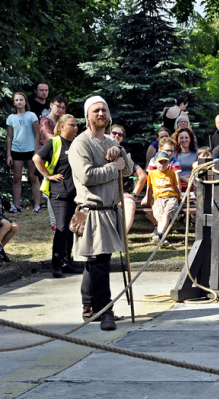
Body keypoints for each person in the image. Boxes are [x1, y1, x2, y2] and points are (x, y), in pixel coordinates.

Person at [68, 96, 136, 331]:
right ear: (87, 116)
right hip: (93, 211)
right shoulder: (80, 144)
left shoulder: (110, 141)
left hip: (110, 210)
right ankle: (105, 310)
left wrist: (120, 151)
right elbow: (86, 176)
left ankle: (90, 307)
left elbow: (127, 170)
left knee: (95, 261)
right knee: (99, 263)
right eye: (96, 110)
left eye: (104, 110)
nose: (101, 113)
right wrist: (112, 167)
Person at [33, 114, 85, 278]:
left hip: (75, 194)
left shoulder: (77, 143)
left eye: (76, 125)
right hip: (59, 193)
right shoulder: (54, 142)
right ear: (62, 126)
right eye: (71, 125)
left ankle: (66, 262)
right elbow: (37, 158)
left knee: (71, 229)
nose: (75, 127)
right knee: (62, 228)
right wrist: (48, 175)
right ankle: (56, 265)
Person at [6, 92, 43, 213]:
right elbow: (9, 137)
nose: (19, 102)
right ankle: (17, 206)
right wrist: (8, 155)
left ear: (25, 101)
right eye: (16, 100)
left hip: (31, 150)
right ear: (14, 102)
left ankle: (37, 204)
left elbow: (37, 133)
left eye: (21, 100)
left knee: (33, 177)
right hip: (16, 150)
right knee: (17, 178)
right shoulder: (11, 118)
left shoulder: (31, 116)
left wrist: (36, 151)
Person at [111, 124, 149, 234]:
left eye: (120, 134)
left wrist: (133, 195)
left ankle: (122, 238)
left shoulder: (124, 157)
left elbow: (142, 176)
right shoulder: (100, 151)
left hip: (123, 196)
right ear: (108, 134)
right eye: (114, 133)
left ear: (122, 138)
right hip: (106, 195)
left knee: (130, 206)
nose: (117, 136)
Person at [147, 142, 181, 246]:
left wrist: (180, 197)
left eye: (165, 162)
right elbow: (150, 188)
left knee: (167, 214)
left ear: (168, 163)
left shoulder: (171, 173)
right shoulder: (152, 174)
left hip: (171, 198)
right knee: (160, 216)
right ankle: (162, 238)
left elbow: (175, 186)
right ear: (155, 163)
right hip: (158, 199)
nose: (162, 164)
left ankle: (160, 234)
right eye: (160, 162)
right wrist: (148, 201)